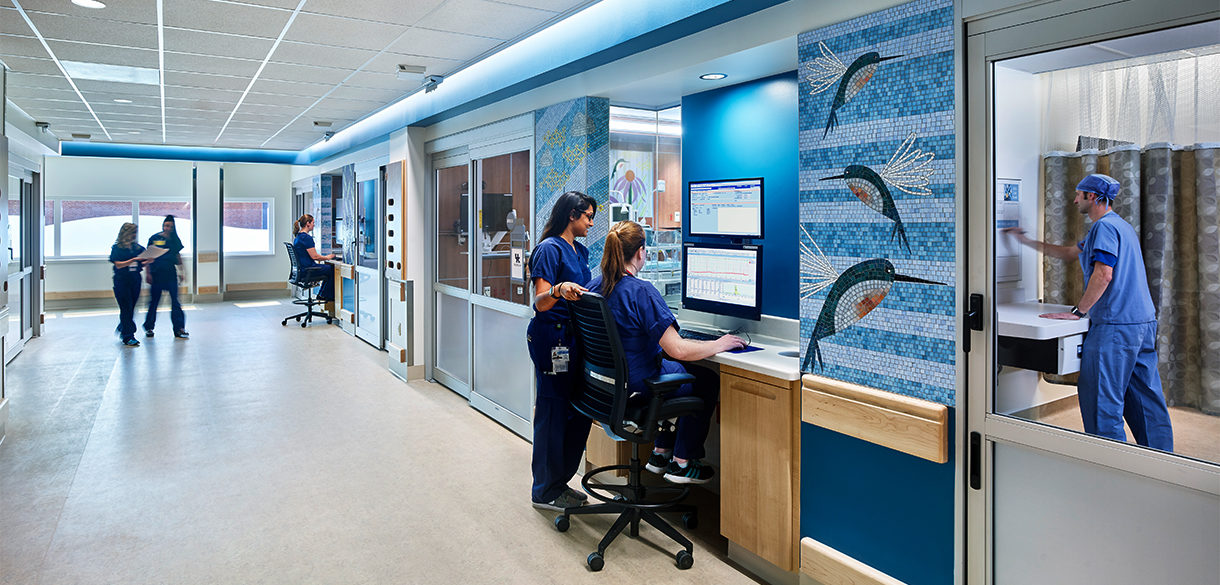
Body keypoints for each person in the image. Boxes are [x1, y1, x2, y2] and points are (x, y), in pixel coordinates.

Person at [1004, 173, 1173, 451]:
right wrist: (1025, 241)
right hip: (1141, 322)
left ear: (1091, 197)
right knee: (1145, 399)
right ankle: (1163, 461)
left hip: (1115, 325)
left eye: (1078, 194)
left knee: (1101, 400)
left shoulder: (1103, 229)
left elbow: (1104, 273)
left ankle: (1106, 466)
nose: (1074, 200)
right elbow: (1070, 253)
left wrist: (1078, 312)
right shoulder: (1120, 226)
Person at [588, 221, 745, 484]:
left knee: (677, 369)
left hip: (605, 386)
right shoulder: (642, 292)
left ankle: (661, 453)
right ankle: (683, 461)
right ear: (640, 252)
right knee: (705, 380)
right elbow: (678, 348)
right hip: (638, 386)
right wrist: (720, 344)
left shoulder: (594, 287)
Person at [527, 191, 597, 511]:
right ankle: (544, 490)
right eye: (587, 217)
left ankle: (561, 482)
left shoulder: (579, 251)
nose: (591, 223)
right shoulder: (548, 249)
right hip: (551, 340)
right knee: (552, 415)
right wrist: (557, 289)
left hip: (574, 340)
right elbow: (541, 302)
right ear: (572, 215)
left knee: (577, 413)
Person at [143, 214, 189, 339]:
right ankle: (149, 327)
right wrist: (147, 273)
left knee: (175, 302)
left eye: (170, 226)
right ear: (163, 226)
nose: (167, 228)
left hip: (170, 275)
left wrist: (182, 271)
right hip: (156, 275)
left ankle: (179, 328)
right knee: (154, 303)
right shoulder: (154, 238)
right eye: (166, 225)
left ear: (173, 228)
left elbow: (178, 256)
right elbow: (147, 256)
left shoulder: (175, 240)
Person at [109, 223, 146, 347]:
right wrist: (132, 260)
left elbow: (144, 262)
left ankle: (123, 326)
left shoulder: (138, 248)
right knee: (126, 307)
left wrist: (148, 260)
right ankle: (128, 336)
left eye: (135, 233)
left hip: (135, 279)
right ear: (124, 234)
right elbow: (118, 264)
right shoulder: (117, 248)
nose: (133, 236)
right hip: (122, 280)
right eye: (131, 233)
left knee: (131, 307)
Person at [291, 214, 336, 302]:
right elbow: (314, 256)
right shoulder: (306, 238)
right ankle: (325, 296)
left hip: (302, 269)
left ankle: (322, 294)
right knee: (332, 269)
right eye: (313, 223)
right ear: (308, 223)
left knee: (328, 270)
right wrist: (327, 257)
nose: (314, 225)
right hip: (308, 269)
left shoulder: (298, 237)